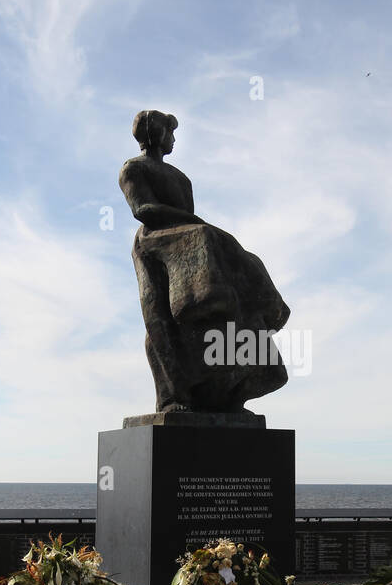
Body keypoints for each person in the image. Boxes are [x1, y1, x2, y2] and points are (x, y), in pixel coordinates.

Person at [119, 110, 290, 413]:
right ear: (156, 134)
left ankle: (225, 387)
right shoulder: (133, 169)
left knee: (241, 258)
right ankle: (172, 395)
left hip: (187, 235)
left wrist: (201, 228)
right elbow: (144, 209)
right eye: (169, 133)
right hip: (153, 241)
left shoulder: (181, 178)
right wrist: (200, 227)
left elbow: (188, 216)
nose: (173, 140)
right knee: (160, 321)